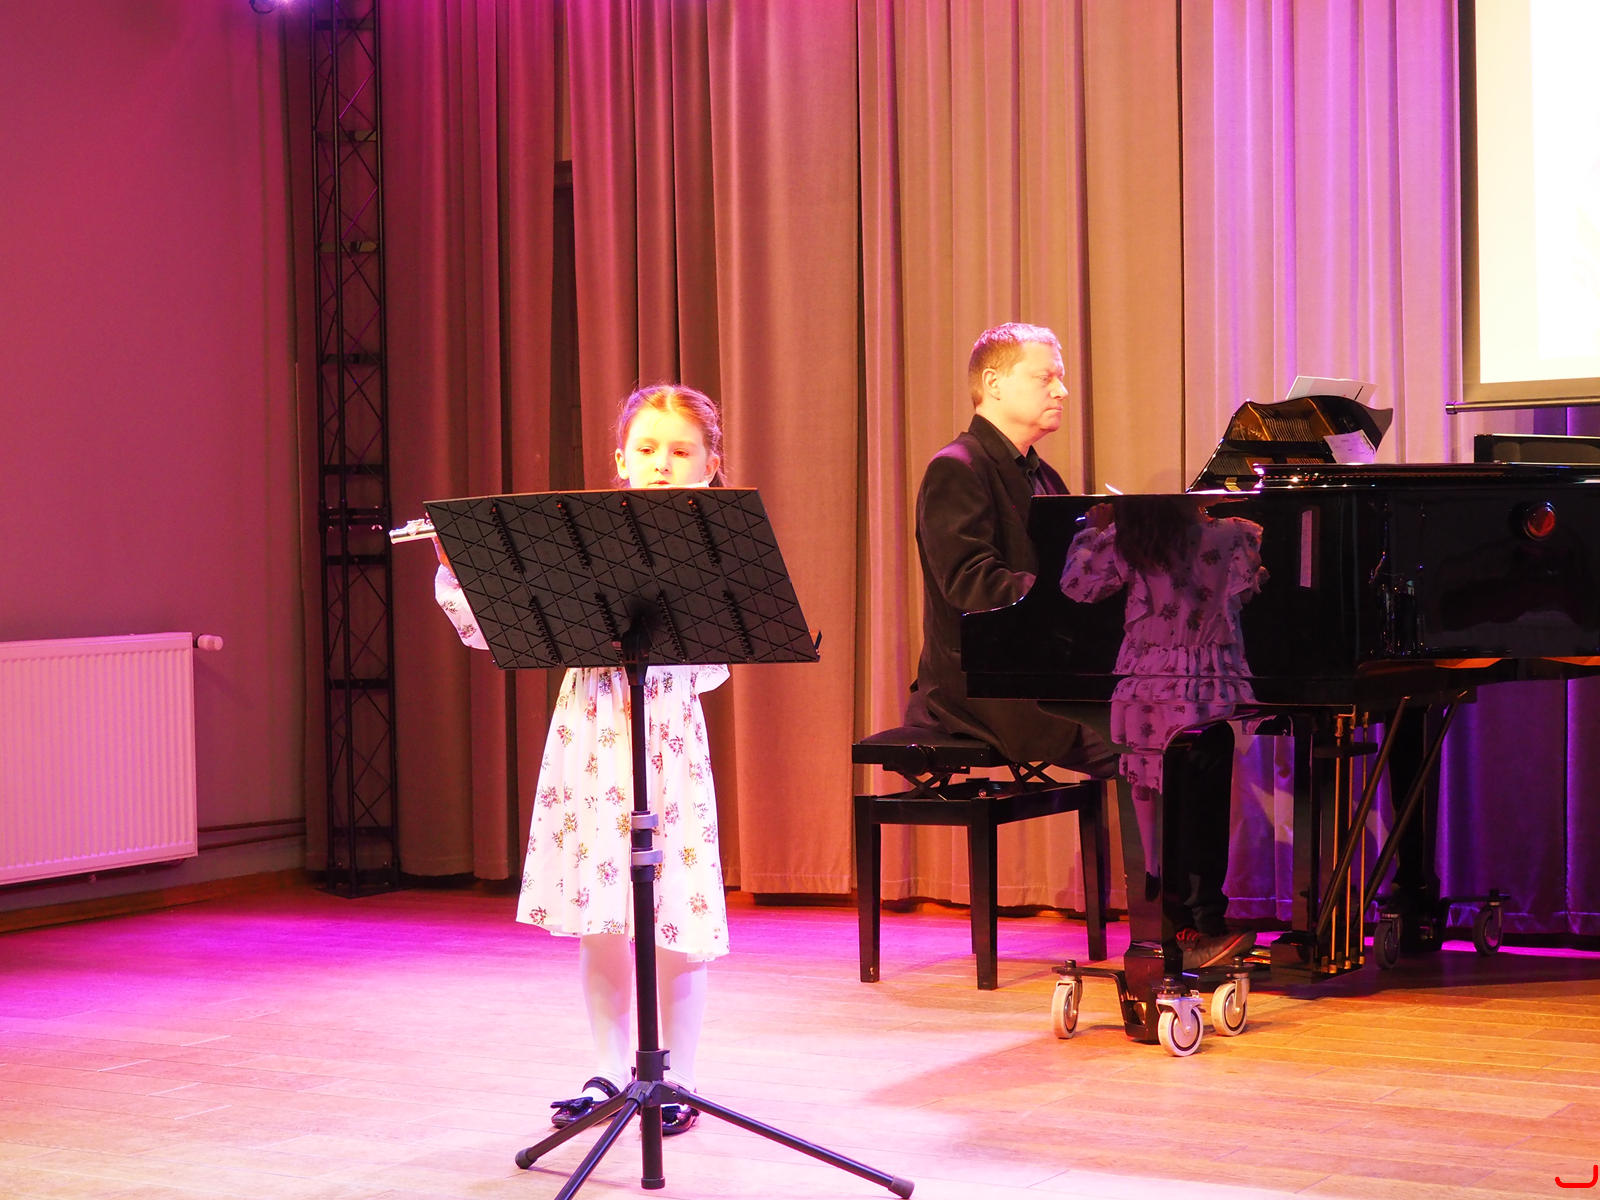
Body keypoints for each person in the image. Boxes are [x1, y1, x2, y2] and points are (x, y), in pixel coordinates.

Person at [434, 384, 730, 1136]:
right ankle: (606, 1070)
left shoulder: (718, 550)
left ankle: (676, 1077)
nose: (661, 464)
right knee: (604, 915)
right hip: (592, 739)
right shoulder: (579, 543)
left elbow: (713, 666)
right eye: (646, 449)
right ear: (620, 461)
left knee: (675, 915)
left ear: (709, 467)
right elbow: (501, 629)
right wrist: (462, 571)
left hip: (665, 741)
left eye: (681, 452)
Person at [1060, 495, 1266, 968]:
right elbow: (1247, 590)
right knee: (1204, 803)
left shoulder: (1131, 539)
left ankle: (1173, 924)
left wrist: (1093, 528)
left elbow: (1077, 585)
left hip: (1149, 682)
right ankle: (1204, 921)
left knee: (1158, 804)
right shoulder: (1232, 533)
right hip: (1208, 682)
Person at [904, 322, 1115, 776]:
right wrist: (1065, 603)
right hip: (986, 689)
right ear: (993, 383)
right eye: (1045, 378)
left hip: (1044, 671)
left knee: (1187, 731)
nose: (1061, 391)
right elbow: (973, 583)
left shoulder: (1045, 476)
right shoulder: (956, 469)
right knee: (1147, 743)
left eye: (1060, 378)